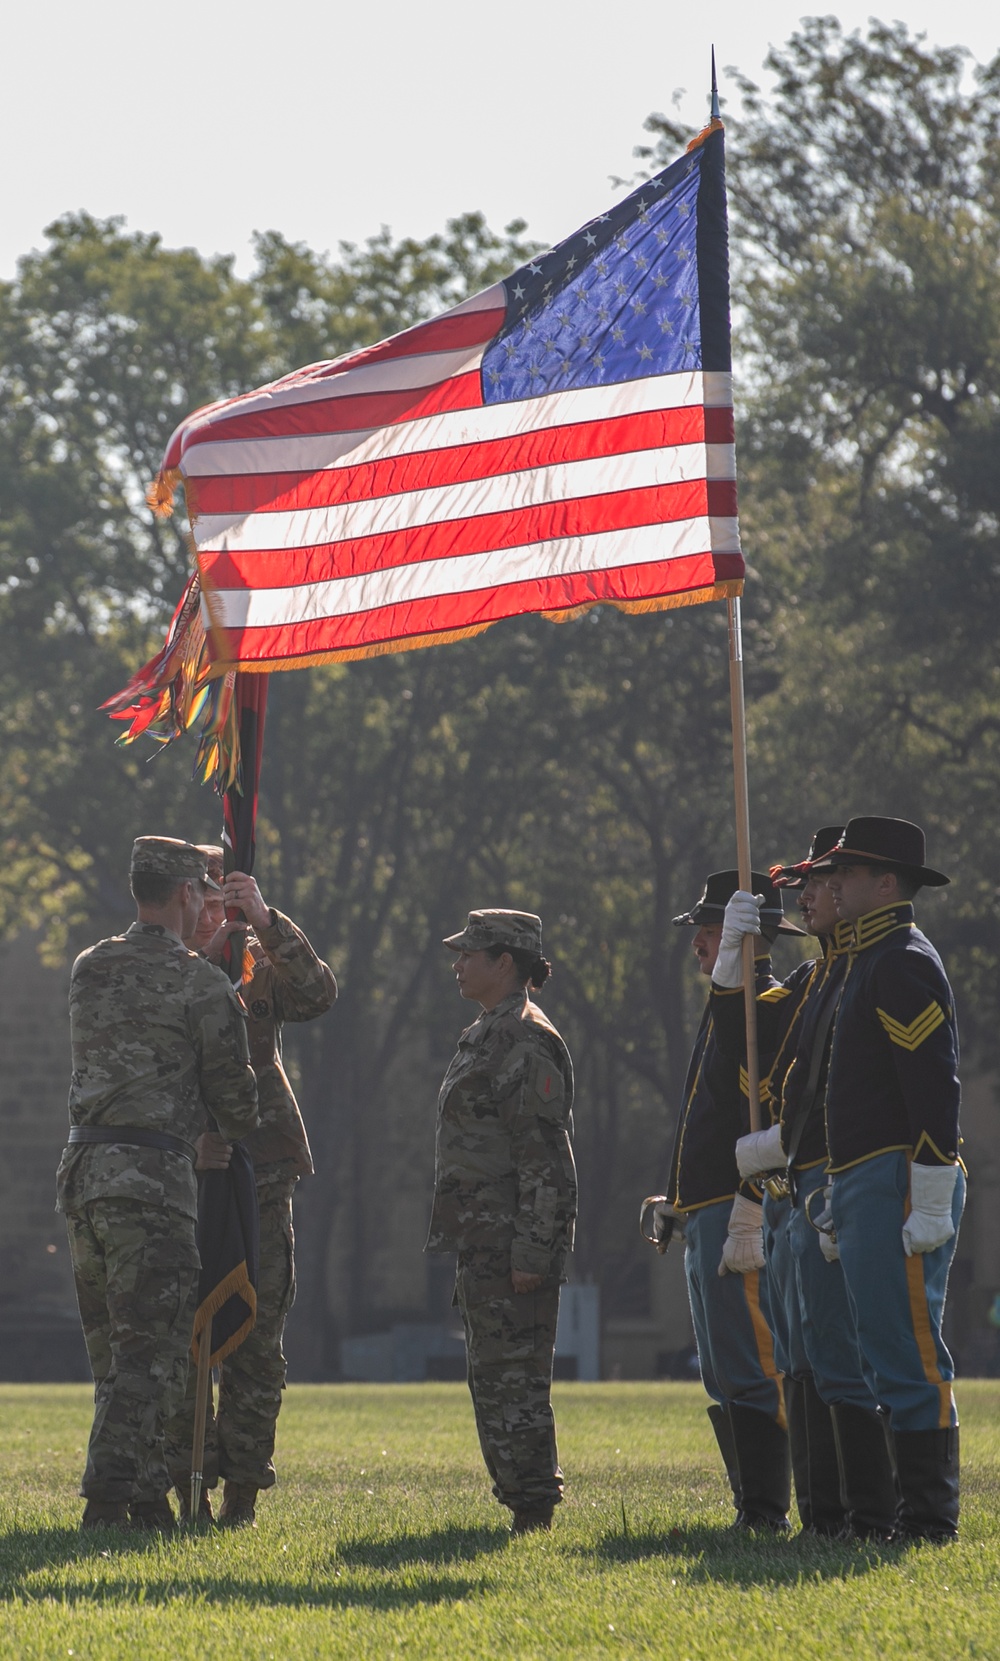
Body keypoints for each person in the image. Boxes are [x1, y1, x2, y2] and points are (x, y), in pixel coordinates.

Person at [57, 838, 259, 1532]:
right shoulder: (198, 982)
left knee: (114, 1352)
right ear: (185, 896)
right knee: (151, 1354)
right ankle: (108, 1499)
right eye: (202, 890)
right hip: (153, 1185)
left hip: (85, 1178)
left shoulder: (90, 966)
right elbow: (237, 1105)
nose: (204, 901)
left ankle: (147, 1501)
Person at [726, 829, 898, 1540]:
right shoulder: (820, 975)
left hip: (842, 1178)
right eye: (805, 882)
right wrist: (735, 972)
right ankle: (825, 1514)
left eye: (821, 878)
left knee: (843, 1354)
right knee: (803, 1355)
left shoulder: (879, 968)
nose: (807, 891)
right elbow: (745, 1052)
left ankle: (869, 1514)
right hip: (799, 1184)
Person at [164, 849, 337, 1527]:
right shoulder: (160, 974)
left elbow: (319, 993)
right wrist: (187, 1144)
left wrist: (267, 920)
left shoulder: (256, 963)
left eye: (226, 902)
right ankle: (188, 1488)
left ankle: (241, 1492)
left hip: (260, 1169)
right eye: (207, 900)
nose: (216, 915)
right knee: (183, 1340)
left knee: (257, 1336)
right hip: (182, 1176)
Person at [807, 817, 964, 1541]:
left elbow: (931, 1081)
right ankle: (905, 1510)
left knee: (907, 1351)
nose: (833, 882)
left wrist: (930, 1180)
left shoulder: (900, 958)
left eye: (850, 871)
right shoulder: (868, 959)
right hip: (865, 1176)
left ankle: (930, 1517)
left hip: (900, 1172)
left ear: (888, 883)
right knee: (881, 1349)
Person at [657, 869, 803, 1532]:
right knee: (720, 1368)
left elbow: (767, 1117)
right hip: (705, 1207)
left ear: (747, 934)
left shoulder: (764, 1006)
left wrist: (750, 1201)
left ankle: (767, 1509)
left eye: (710, 931)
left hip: (742, 1208)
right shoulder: (726, 1010)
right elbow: (705, 1117)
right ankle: (749, 1499)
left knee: (749, 1362)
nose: (697, 944)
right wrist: (676, 1196)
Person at [426, 909, 576, 1536]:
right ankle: (520, 1501)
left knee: (516, 1380)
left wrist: (532, 1253)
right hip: (483, 1239)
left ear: (505, 963)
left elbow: (544, 1157)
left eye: (470, 954)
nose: (458, 964)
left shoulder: (524, 1038)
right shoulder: (488, 1031)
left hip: (512, 1240)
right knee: (492, 1377)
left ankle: (534, 1509)